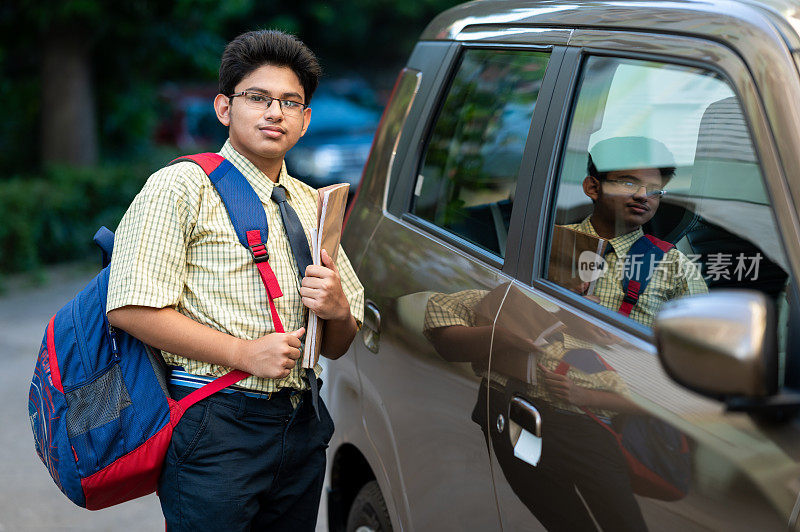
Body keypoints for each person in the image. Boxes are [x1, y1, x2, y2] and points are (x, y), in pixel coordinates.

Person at [106, 30, 364, 531]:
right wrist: (244, 354)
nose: (276, 112)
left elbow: (337, 343)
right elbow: (130, 307)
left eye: (291, 102)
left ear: (306, 119)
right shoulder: (181, 186)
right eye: (258, 98)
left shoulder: (313, 203)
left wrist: (335, 310)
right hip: (215, 422)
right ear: (225, 108)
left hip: (301, 421)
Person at [563, 136, 707, 327]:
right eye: (628, 184)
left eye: (654, 189)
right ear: (593, 188)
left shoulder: (676, 266)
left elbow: (702, 339)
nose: (642, 195)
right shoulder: (549, 243)